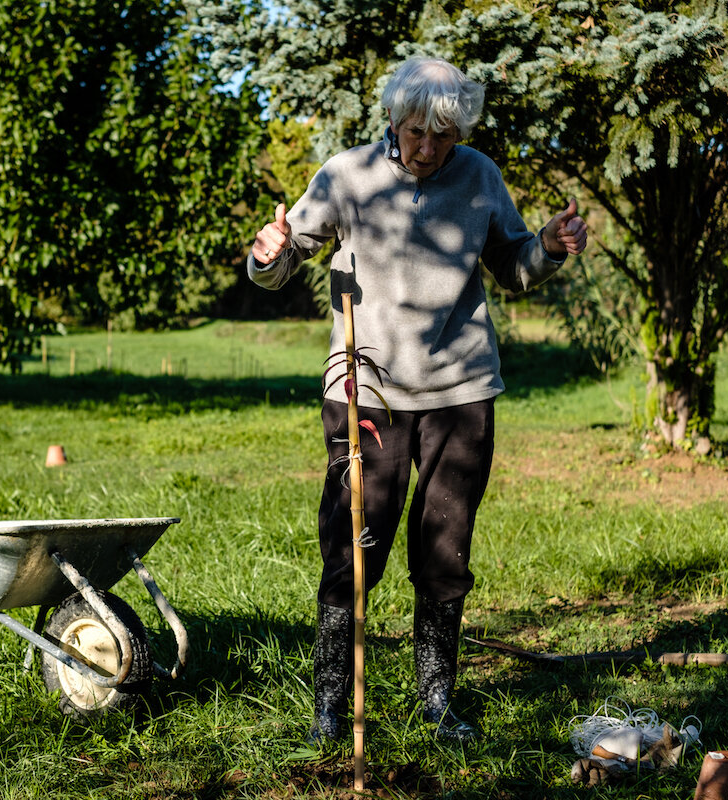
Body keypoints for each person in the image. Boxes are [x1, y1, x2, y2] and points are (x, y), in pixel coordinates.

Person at [248, 55, 587, 743]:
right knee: (354, 545)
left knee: (444, 552)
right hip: (363, 389)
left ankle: (437, 703)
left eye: (443, 134)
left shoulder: (480, 176)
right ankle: (329, 709)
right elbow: (281, 264)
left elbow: (513, 265)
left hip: (460, 391)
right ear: (393, 121)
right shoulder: (347, 176)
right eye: (415, 131)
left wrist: (546, 246)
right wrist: (268, 251)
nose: (428, 147)